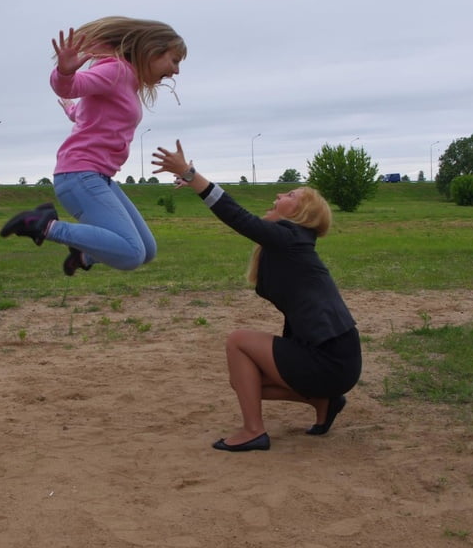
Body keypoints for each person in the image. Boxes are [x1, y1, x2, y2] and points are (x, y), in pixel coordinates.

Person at [151, 141, 362, 452]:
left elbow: (236, 216)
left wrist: (191, 174)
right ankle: (324, 401)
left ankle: (253, 431)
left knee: (237, 341)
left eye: (290, 195)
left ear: (301, 213)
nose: (278, 196)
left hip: (332, 359)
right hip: (334, 358)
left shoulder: (291, 239)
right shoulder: (289, 245)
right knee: (245, 382)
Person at [0, 17, 187, 276]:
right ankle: (42, 225)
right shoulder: (116, 71)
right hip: (80, 176)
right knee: (132, 254)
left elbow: (90, 115)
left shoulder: (127, 81)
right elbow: (74, 85)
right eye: (174, 60)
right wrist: (65, 72)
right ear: (152, 50)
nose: (176, 71)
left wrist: (71, 110)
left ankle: (84, 253)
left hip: (97, 176)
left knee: (147, 250)